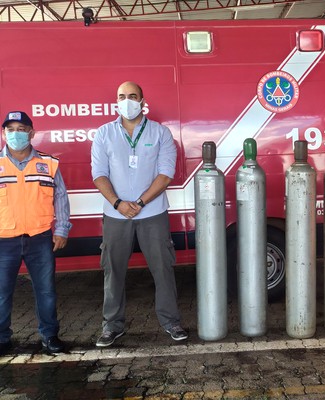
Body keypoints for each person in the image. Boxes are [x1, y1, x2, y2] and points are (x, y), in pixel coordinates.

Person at [91, 81, 187, 347]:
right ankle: (112, 326)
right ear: (115, 101)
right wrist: (118, 203)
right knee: (113, 271)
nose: (127, 101)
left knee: (163, 269)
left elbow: (165, 173)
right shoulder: (104, 134)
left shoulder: (160, 133)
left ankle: (171, 322)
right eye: (122, 96)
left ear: (143, 100)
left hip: (153, 214)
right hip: (116, 216)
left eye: (132, 96)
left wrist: (141, 202)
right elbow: (98, 174)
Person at [0, 111, 71, 355]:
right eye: (11, 129)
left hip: (39, 239)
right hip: (3, 241)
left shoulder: (48, 164)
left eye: (21, 129)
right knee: (1, 294)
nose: (15, 134)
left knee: (46, 292)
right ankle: (1, 339)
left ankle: (50, 336)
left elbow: (60, 197)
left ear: (31, 133)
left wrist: (61, 229)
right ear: (3, 133)